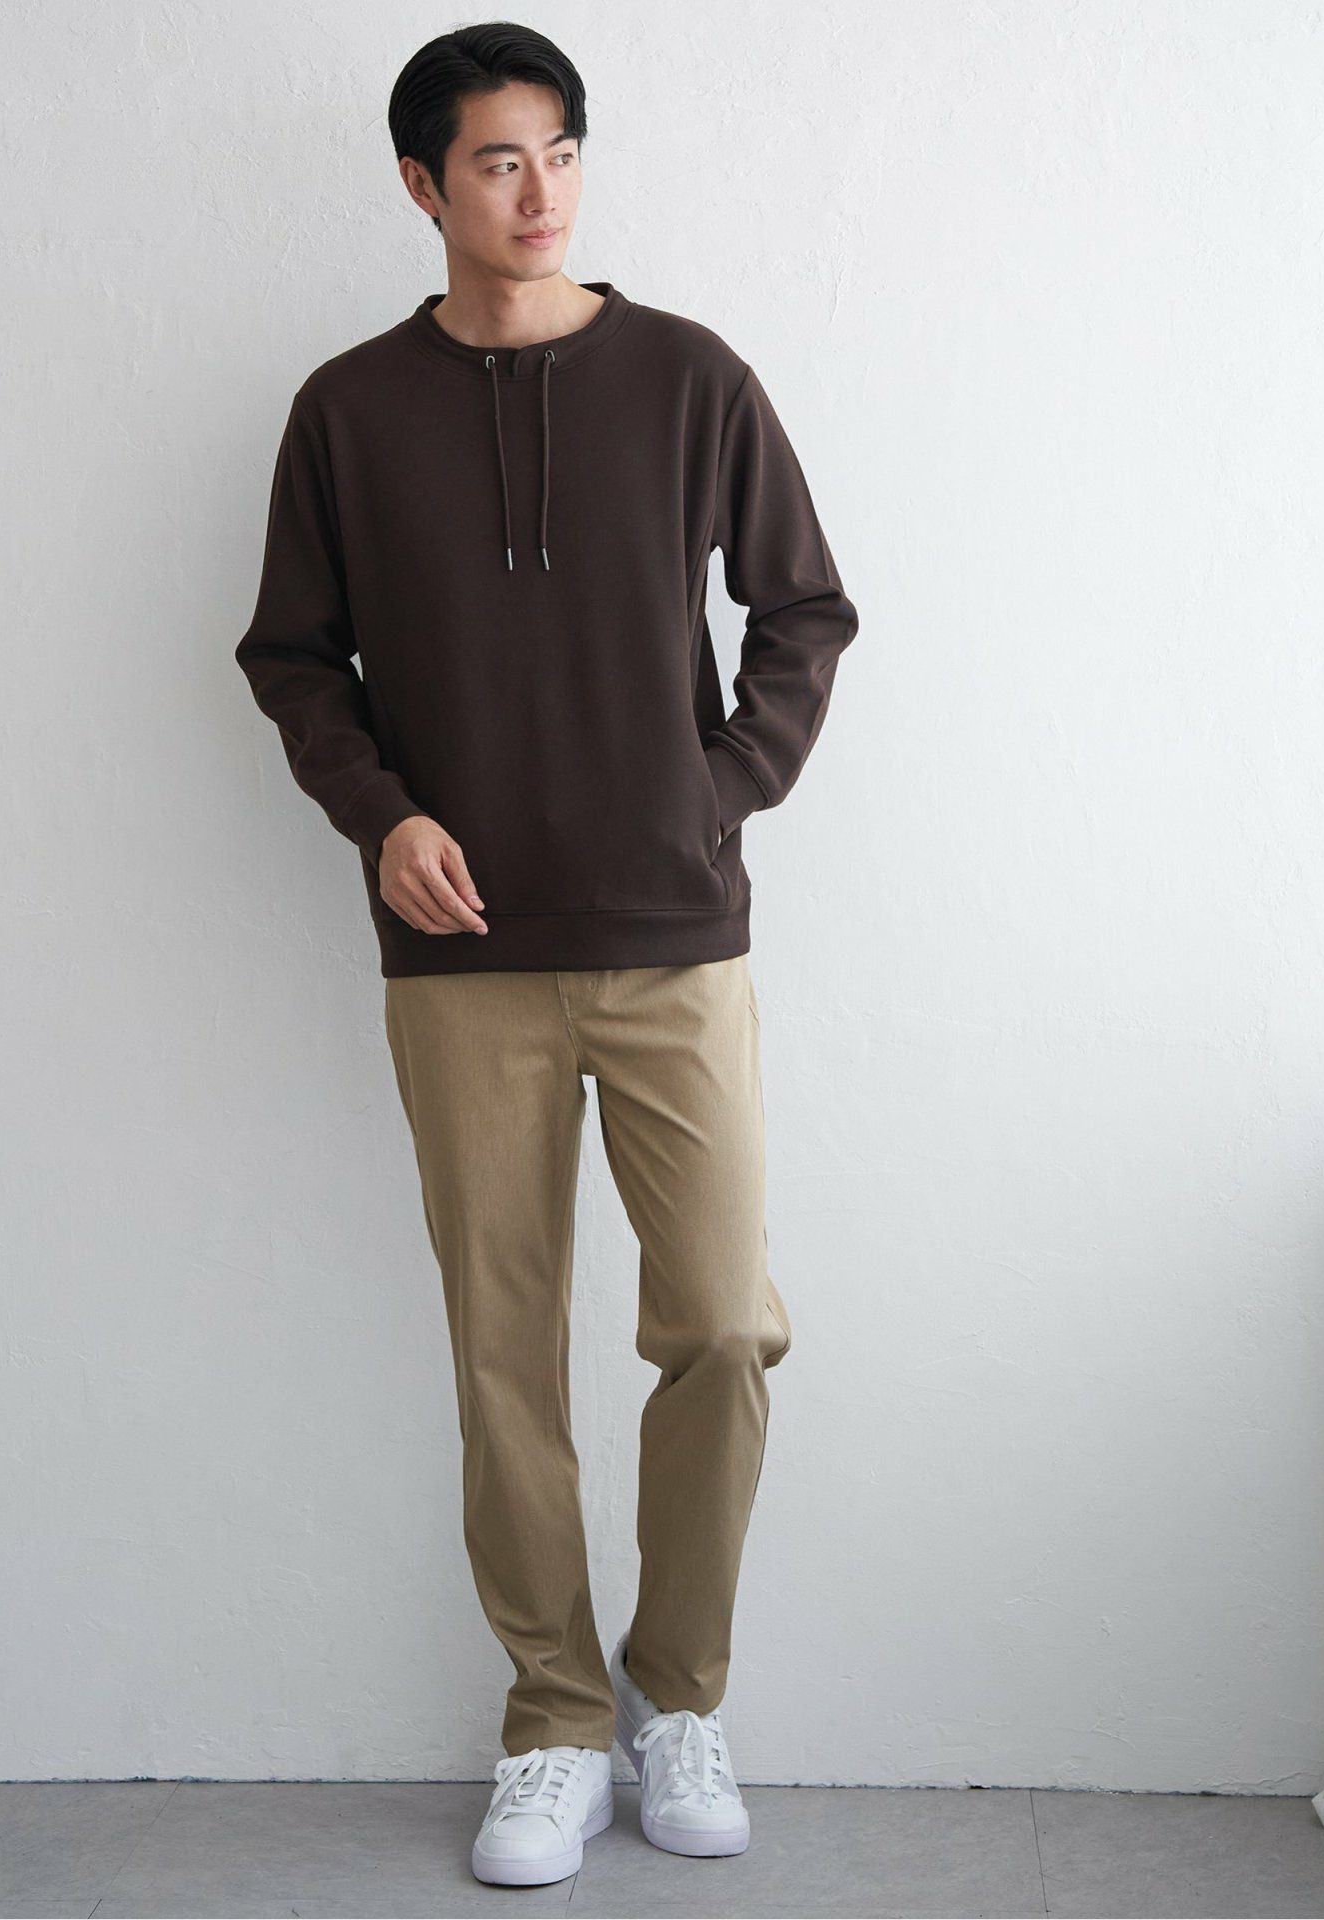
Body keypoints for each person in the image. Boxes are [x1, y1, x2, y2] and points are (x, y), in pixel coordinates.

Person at [234, 20, 860, 1890]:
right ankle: (555, 1721)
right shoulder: (348, 410)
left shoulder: (688, 377)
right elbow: (291, 656)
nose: (539, 192)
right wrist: (382, 816)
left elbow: (805, 610)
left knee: (725, 1324)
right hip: (463, 961)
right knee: (504, 1351)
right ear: (422, 184)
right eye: (498, 161)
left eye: (561, 153)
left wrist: (713, 792)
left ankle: (680, 1696)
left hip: (673, 940)